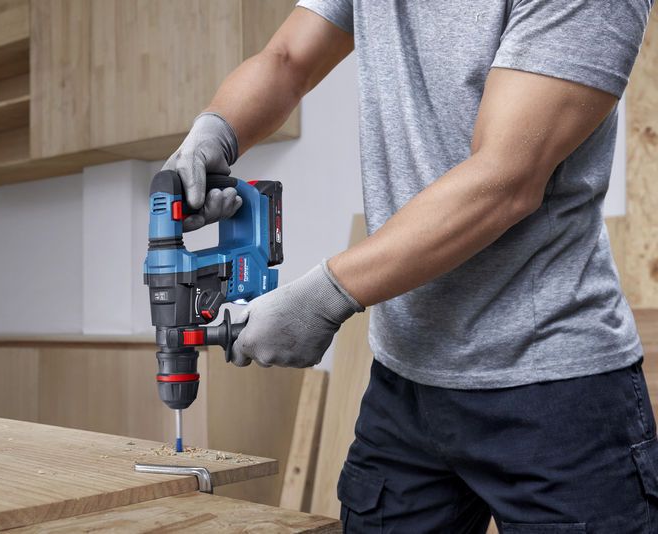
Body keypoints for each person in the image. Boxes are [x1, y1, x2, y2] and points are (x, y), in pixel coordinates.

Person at [162, 1, 656, 531]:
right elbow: (286, 58)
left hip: (553, 387)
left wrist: (322, 297)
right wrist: (214, 131)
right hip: (405, 383)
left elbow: (504, 181)